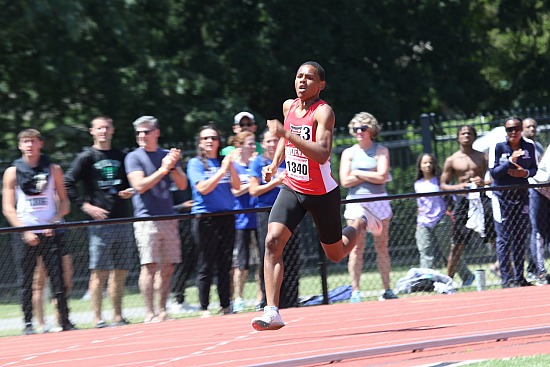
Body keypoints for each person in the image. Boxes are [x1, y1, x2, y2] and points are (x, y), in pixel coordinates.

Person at [251, 61, 380, 331]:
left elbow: (321, 153)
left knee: (335, 254)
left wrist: (285, 132)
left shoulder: (324, 113)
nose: (302, 81)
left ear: (320, 85)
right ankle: (272, 311)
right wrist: (275, 164)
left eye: (309, 78)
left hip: (321, 193)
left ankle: (361, 223)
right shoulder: (289, 107)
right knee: (273, 241)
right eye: (298, 76)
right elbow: (286, 142)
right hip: (292, 187)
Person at [64, 116, 135, 328]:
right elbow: (67, 182)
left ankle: (118, 316)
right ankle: (97, 318)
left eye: (106, 127)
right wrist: (85, 206)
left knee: (121, 271)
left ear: (112, 130)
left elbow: (132, 183)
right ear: (92, 131)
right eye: (99, 128)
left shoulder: (121, 155)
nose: (103, 131)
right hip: (99, 224)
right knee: (99, 272)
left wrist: (129, 191)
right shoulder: (86, 156)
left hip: (122, 218)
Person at [2, 129, 75, 335]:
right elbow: (8, 207)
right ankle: (28, 323)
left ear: (40, 144)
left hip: (51, 232)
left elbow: (65, 203)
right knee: (26, 281)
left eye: (33, 141)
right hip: (26, 233)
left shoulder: (53, 169)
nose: (30, 145)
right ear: (20, 145)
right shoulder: (12, 172)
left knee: (58, 279)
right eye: (25, 142)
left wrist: (54, 221)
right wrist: (24, 230)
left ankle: (65, 320)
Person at [125, 115, 188, 323]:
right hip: (146, 219)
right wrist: (163, 169)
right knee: (149, 266)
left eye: (146, 131)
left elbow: (182, 185)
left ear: (156, 133)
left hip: (168, 217)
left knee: (168, 266)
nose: (142, 136)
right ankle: (149, 312)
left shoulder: (166, 155)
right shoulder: (133, 157)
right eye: (139, 132)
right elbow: (140, 185)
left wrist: (172, 166)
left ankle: (162, 310)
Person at [339, 112, 396, 302]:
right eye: (355, 128)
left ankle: (387, 289)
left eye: (362, 128)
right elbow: (345, 181)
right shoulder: (349, 153)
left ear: (371, 130)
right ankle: (355, 291)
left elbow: (382, 176)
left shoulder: (381, 150)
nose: (358, 132)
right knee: (356, 248)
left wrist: (357, 173)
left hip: (378, 201)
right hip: (356, 202)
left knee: (382, 247)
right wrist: (367, 172)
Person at [187, 124, 240, 316]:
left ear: (219, 142)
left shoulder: (223, 162)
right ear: (200, 143)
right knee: (206, 264)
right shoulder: (195, 163)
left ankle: (226, 305)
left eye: (213, 138)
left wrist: (230, 166)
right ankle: (204, 306)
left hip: (226, 216)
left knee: (225, 264)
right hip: (206, 218)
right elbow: (203, 188)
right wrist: (222, 170)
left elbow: (236, 185)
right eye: (205, 138)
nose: (210, 141)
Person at [249, 129, 301, 311]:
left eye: (275, 141)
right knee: (270, 253)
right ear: (263, 144)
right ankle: (268, 300)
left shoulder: (290, 160)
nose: (272, 144)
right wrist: (276, 182)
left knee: (291, 254)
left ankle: (292, 299)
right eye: (268, 141)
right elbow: (253, 190)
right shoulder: (258, 162)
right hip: (267, 212)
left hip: (290, 210)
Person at [489, 116, 537, 288]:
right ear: (505, 131)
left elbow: (534, 169)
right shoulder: (498, 147)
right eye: (510, 129)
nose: (514, 132)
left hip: (521, 196)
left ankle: (519, 277)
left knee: (519, 237)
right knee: (504, 238)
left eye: (517, 128)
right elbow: (494, 173)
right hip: (501, 198)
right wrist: (510, 162)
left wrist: (524, 173)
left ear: (521, 129)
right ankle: (506, 279)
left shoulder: (529, 147)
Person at [440, 125, 488, 286]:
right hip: (463, 202)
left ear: (474, 136)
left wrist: (484, 182)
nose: (466, 135)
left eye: (469, 133)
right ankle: (448, 281)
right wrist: (459, 187)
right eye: (463, 133)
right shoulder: (452, 160)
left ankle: (507, 275)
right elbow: (443, 185)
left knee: (496, 238)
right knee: (457, 243)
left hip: (482, 199)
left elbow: (495, 178)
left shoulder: (483, 157)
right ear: (458, 137)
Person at [231, 131, 259, 313]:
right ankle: (239, 298)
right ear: (240, 146)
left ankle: (261, 296)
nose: (253, 147)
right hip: (241, 220)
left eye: (254, 143)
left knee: (261, 261)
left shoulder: (257, 164)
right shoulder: (234, 166)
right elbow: (235, 191)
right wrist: (253, 183)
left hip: (258, 219)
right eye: (249, 143)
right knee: (241, 262)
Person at [414, 153, 453, 271]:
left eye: (430, 162)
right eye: (425, 163)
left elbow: (450, 198)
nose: (428, 165)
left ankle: (466, 276)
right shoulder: (418, 184)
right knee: (425, 250)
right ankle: (427, 278)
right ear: (420, 166)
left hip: (441, 219)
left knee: (448, 251)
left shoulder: (440, 181)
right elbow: (419, 204)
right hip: (424, 221)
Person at [522, 117, 546, 283]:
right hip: (529, 191)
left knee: (538, 231)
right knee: (534, 231)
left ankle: (533, 266)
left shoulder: (537, 146)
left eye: (534, 126)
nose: (532, 129)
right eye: (528, 126)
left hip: (541, 190)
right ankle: (535, 269)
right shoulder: (522, 146)